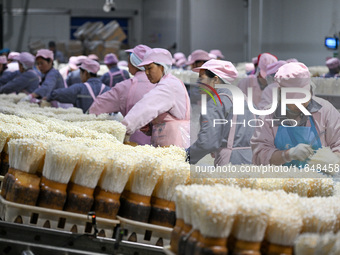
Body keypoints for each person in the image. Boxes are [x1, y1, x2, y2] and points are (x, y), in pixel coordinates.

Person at [251, 62, 340, 168]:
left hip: (319, 181)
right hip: (281, 182)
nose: (300, 104)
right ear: (280, 94)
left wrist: (332, 160)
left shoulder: (326, 111)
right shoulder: (268, 116)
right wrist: (287, 155)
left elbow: (337, 144)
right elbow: (260, 155)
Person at [187, 59, 255, 166]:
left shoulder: (215, 101)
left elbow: (207, 142)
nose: (198, 82)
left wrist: (187, 156)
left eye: (201, 78)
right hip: (251, 161)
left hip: (229, 162)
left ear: (215, 80)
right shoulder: (244, 98)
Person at [121, 48, 190, 148]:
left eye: (150, 68)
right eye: (145, 69)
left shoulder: (169, 85)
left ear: (161, 67)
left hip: (175, 143)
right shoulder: (166, 83)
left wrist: (123, 128)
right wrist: (150, 127)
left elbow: (146, 107)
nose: (147, 73)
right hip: (167, 142)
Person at [89, 45, 156, 145]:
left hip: (134, 145)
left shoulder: (125, 87)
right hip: (164, 146)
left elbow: (95, 108)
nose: (128, 66)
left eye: (129, 62)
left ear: (135, 63)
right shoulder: (165, 84)